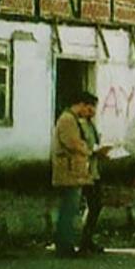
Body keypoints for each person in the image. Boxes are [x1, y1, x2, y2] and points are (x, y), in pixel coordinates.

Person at [52, 92, 109, 258]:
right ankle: (64, 247)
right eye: (89, 108)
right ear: (82, 104)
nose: (91, 112)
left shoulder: (78, 120)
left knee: (74, 208)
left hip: (79, 171)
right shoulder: (68, 120)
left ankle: (73, 244)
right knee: (68, 210)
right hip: (69, 171)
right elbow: (73, 143)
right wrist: (92, 151)